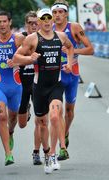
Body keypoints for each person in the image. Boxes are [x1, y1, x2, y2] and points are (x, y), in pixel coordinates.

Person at [11, 8, 74, 174]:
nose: (46, 21)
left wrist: (69, 62)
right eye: (43, 18)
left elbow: (70, 47)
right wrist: (28, 58)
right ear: (38, 22)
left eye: (49, 18)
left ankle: (53, 155)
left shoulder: (61, 37)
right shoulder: (32, 39)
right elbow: (16, 58)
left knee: (54, 116)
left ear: (52, 20)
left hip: (56, 84)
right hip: (39, 87)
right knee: (42, 123)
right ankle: (46, 153)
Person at [51, 0, 94, 160]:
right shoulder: (49, 28)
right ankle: (61, 147)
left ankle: (66, 132)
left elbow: (91, 49)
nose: (57, 15)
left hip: (72, 74)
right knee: (57, 111)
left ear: (66, 14)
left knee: (69, 111)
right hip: (55, 75)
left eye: (60, 12)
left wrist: (72, 50)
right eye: (55, 12)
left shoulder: (74, 27)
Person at [0, 11, 25, 166]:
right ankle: (8, 154)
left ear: (10, 22)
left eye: (5, 21)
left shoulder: (18, 39)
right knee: (2, 116)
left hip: (16, 86)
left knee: (12, 117)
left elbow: (29, 58)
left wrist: (17, 63)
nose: (2, 24)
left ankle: (10, 132)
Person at [18, 11, 43, 165]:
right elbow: (14, 59)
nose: (34, 26)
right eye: (31, 23)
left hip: (38, 83)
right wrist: (29, 59)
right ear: (26, 24)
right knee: (21, 124)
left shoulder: (44, 38)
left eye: (36, 23)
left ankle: (36, 152)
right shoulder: (20, 38)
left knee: (40, 120)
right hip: (21, 84)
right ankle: (25, 107)